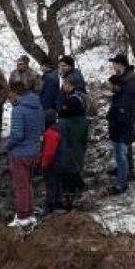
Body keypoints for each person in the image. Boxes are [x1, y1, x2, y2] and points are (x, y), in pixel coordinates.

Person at [6, 81, 44, 227]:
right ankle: (30, 213)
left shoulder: (18, 110)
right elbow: (42, 128)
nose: (8, 97)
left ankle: (22, 217)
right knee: (28, 184)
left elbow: (17, 135)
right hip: (35, 152)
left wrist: (8, 146)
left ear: (15, 93)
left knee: (20, 186)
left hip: (20, 154)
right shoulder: (38, 106)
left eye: (9, 94)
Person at [106, 53, 135, 194]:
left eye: (114, 64)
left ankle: (121, 183)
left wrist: (115, 118)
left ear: (120, 64)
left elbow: (126, 104)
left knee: (120, 153)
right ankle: (128, 171)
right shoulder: (128, 78)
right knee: (126, 149)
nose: (113, 66)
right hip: (124, 121)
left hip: (122, 123)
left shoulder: (130, 81)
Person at [56, 74, 89, 206]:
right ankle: (75, 190)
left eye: (64, 84)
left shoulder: (73, 101)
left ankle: (74, 191)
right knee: (74, 162)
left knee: (70, 164)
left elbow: (67, 115)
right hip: (77, 134)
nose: (62, 87)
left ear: (70, 85)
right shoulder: (79, 97)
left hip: (72, 135)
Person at [40, 109, 63, 216]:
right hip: (59, 163)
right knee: (58, 184)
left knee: (51, 185)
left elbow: (49, 153)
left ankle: (50, 206)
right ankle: (58, 203)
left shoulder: (50, 133)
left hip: (52, 164)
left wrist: (43, 164)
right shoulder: (58, 129)